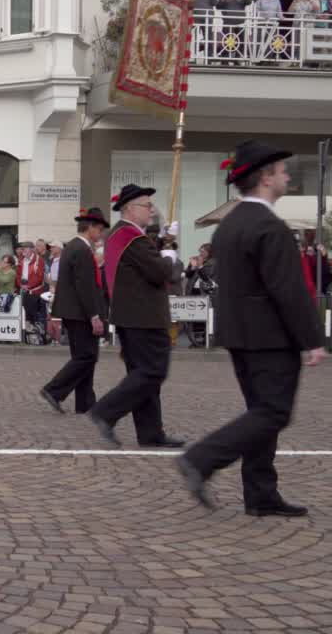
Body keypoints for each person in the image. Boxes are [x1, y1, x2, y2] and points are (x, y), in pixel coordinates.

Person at [178, 142, 325, 516]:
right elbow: (288, 290)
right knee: (273, 413)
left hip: (240, 335)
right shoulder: (268, 226)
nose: (287, 177)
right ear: (265, 178)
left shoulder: (231, 224)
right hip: (270, 338)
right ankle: (201, 458)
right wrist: (313, 340)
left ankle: (260, 494)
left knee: (261, 413)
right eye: (281, 171)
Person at [88, 184, 185, 448]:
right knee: (153, 372)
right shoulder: (132, 237)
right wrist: (170, 255)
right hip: (144, 316)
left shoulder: (125, 235)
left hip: (133, 315)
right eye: (147, 205)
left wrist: (167, 243)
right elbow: (160, 272)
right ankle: (106, 411)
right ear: (130, 209)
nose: (152, 210)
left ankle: (150, 433)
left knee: (144, 375)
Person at [40, 207, 109, 415]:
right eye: (99, 229)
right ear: (90, 228)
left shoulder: (73, 246)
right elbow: (85, 286)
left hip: (72, 311)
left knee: (85, 356)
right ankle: (54, 390)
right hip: (80, 312)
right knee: (86, 357)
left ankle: (85, 402)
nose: (101, 234)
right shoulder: (81, 249)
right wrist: (94, 315)